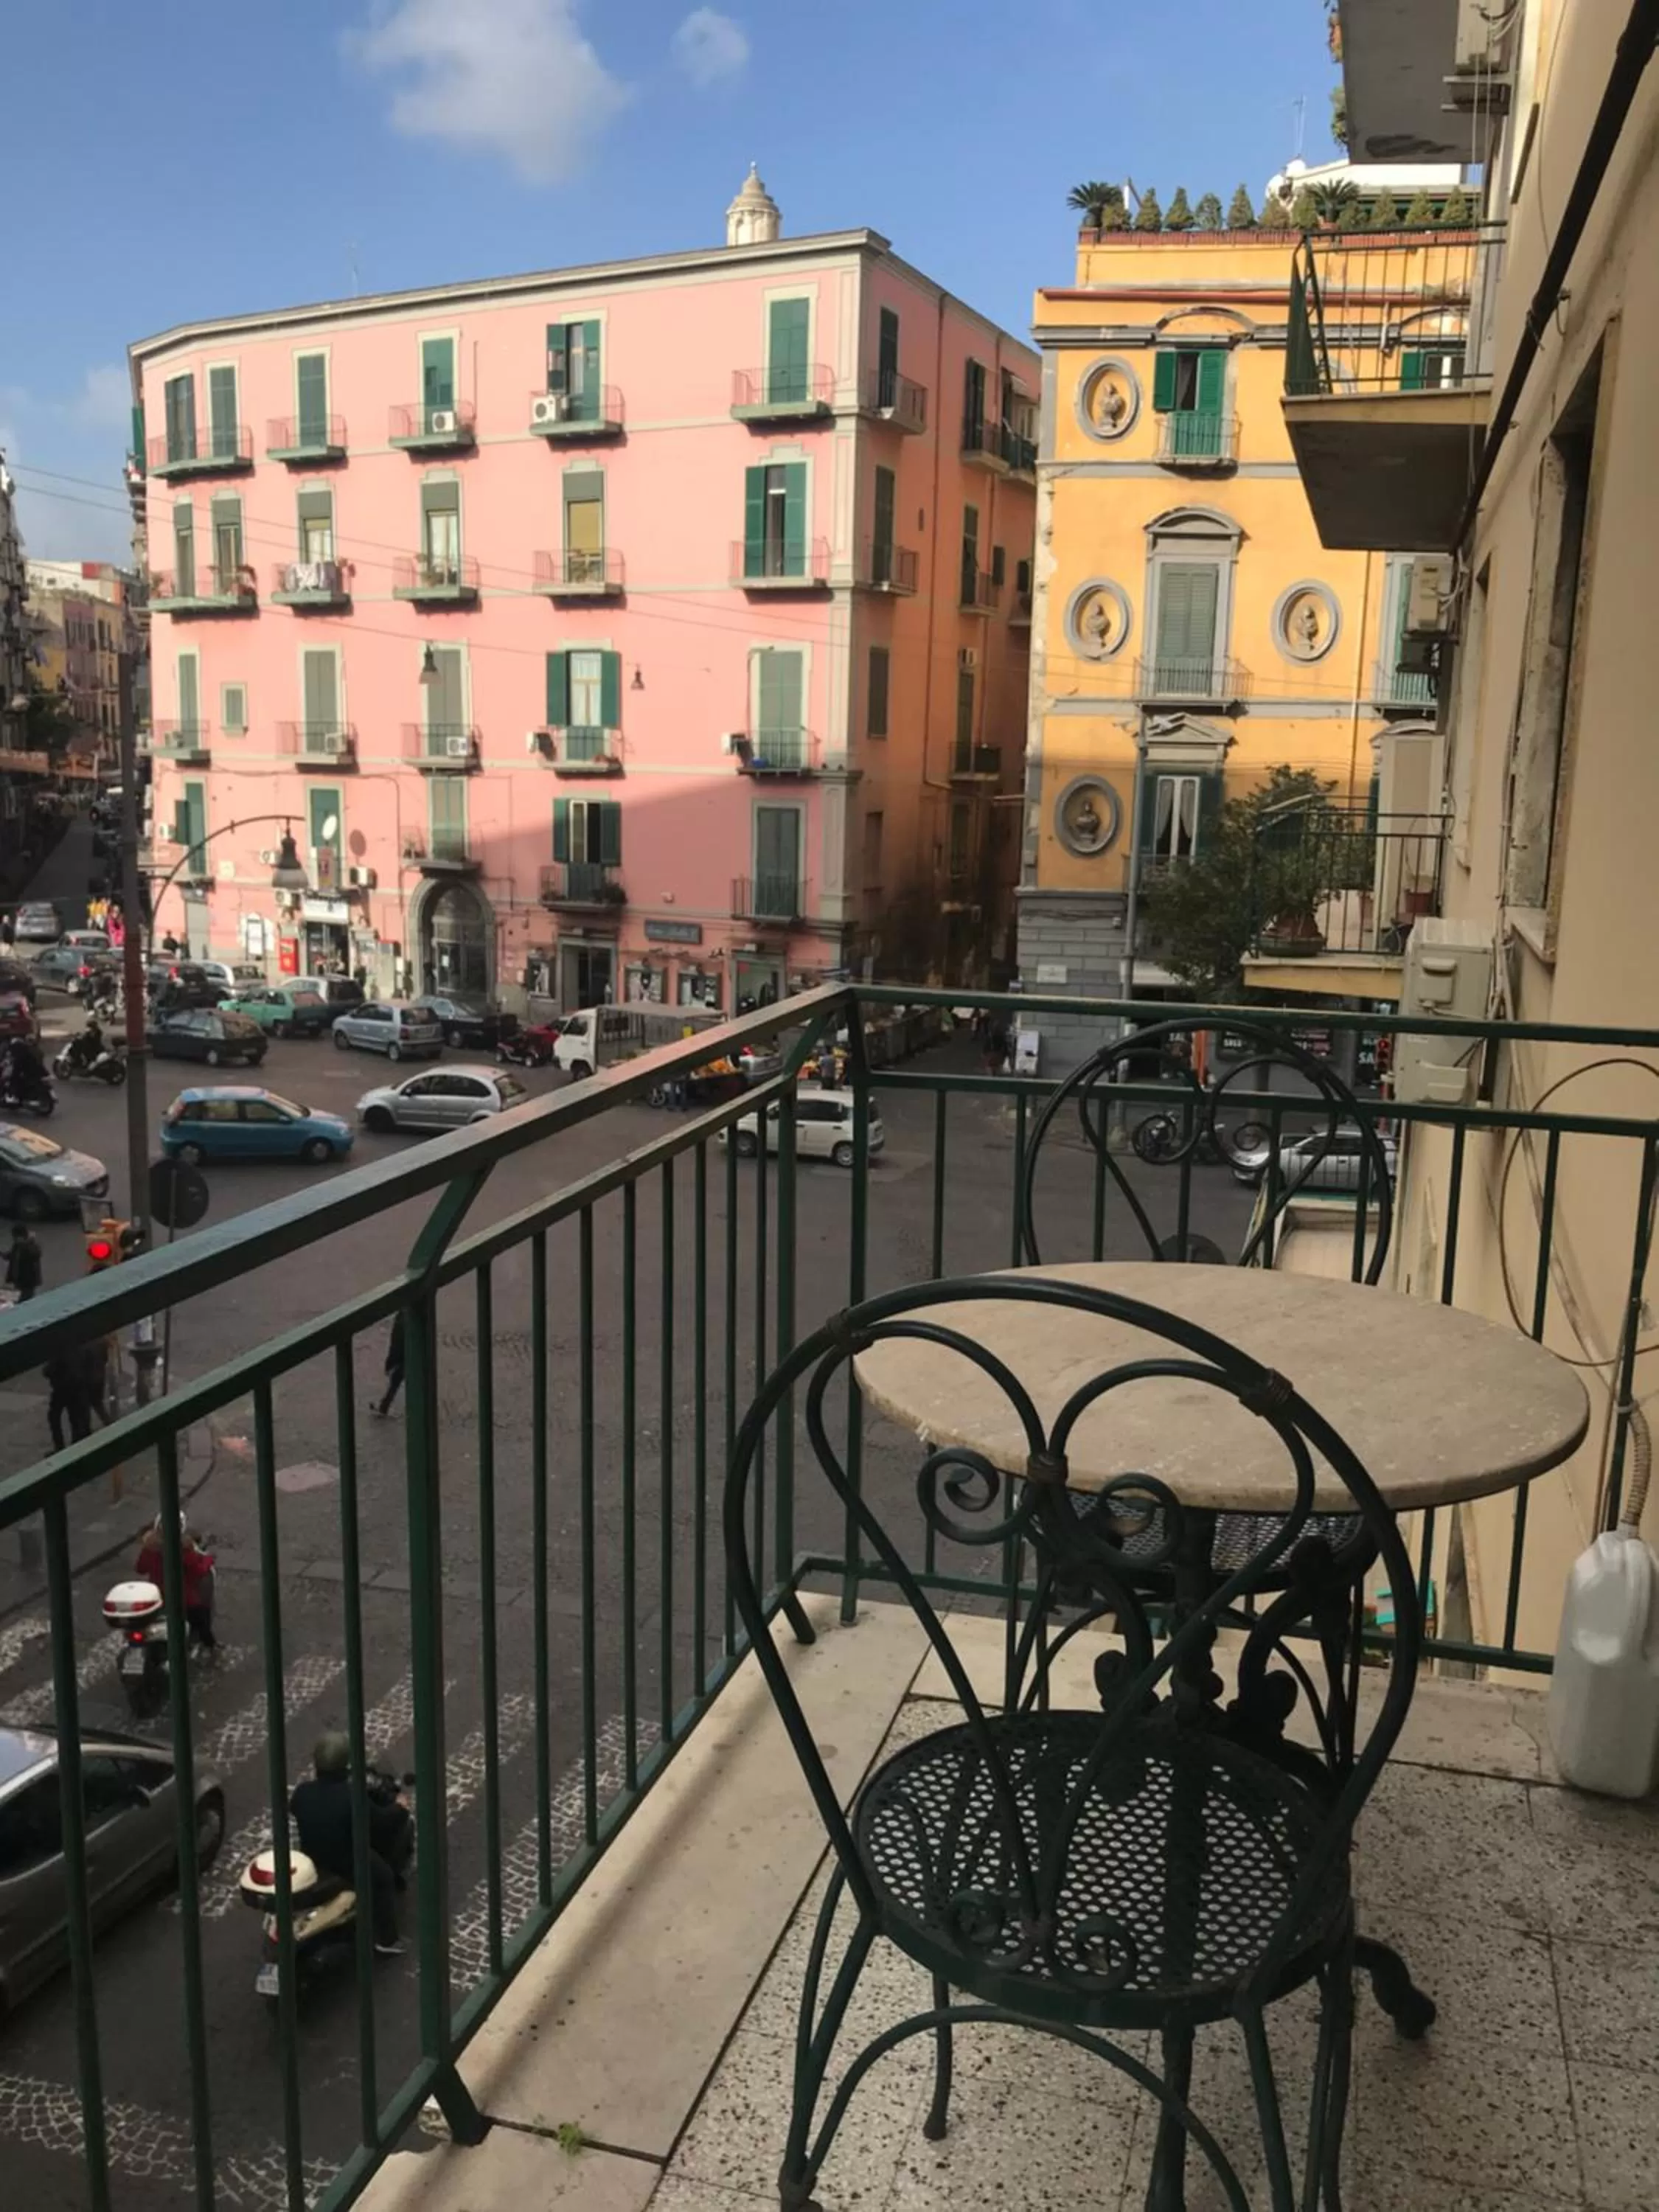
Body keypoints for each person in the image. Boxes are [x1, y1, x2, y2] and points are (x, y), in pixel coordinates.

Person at [289, 1733, 408, 1954]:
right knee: (384, 1879)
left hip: (312, 1858)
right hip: (347, 1861)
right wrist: (399, 1808)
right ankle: (387, 1940)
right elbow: (381, 1822)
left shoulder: (302, 1792)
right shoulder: (352, 1796)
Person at [135, 1513, 218, 1651]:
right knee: (202, 1615)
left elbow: (140, 1569)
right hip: (182, 1598)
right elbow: (199, 1570)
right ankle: (210, 1644)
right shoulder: (183, 1548)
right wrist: (209, 1560)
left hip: (158, 1596)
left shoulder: (150, 1547)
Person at [372, 1312, 406, 1418]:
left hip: (403, 1354)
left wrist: (391, 1360)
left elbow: (397, 1342)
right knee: (399, 1376)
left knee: (398, 1375)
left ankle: (385, 1405)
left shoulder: (403, 1317)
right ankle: (385, 1404)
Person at [6, 1220, 42, 1303]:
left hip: (27, 1282)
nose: (14, 1239)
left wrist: (28, 1243)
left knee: (26, 1300)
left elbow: (36, 1254)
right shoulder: (17, 1245)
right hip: (18, 1280)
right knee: (17, 1299)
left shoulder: (31, 1247)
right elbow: (12, 1255)